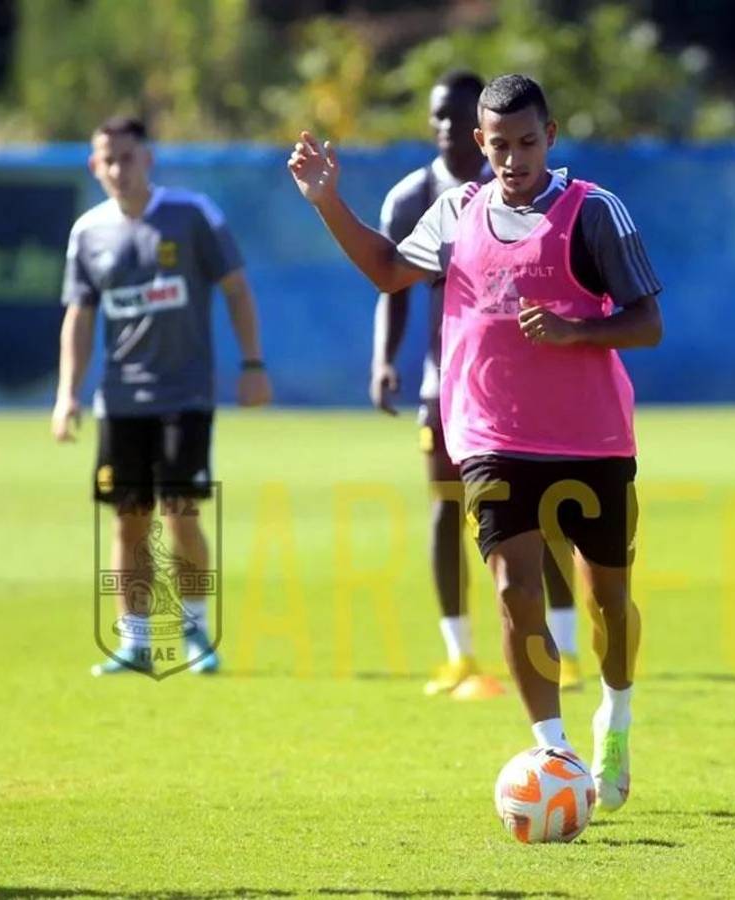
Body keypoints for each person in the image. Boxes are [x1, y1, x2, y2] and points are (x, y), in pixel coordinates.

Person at [288, 74, 662, 812]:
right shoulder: (457, 211)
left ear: (550, 136)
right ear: (478, 144)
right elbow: (388, 270)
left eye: (526, 143)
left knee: (608, 603)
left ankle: (615, 715)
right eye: (499, 146)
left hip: (591, 441)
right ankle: (552, 746)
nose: (513, 158)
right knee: (513, 590)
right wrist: (328, 201)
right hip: (489, 434)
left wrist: (573, 332)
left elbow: (646, 322)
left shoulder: (596, 212)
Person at [371, 71, 583, 698]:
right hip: (445, 386)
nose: (441, 128)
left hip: (519, 385)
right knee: (444, 509)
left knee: (543, 513)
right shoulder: (413, 198)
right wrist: (384, 358)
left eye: (452, 115)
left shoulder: (524, 192)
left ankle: (565, 649)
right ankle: (459, 653)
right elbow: (392, 283)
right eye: (434, 116)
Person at [53, 115, 272, 677]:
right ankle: (136, 640)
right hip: (120, 402)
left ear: (148, 158)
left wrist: (252, 364)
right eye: (108, 159)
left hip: (184, 396)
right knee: (128, 521)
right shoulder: (89, 233)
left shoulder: (192, 215)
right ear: (93, 165)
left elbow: (236, 288)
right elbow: (79, 315)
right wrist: (66, 394)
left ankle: (195, 627)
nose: (118, 169)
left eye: (128, 157)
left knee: (179, 513)